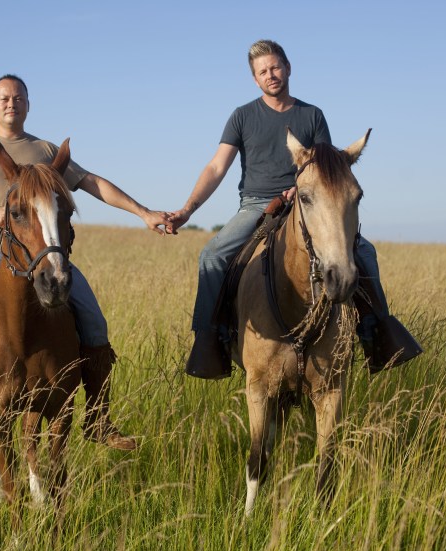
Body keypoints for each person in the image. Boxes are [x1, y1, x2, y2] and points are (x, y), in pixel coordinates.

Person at [0, 74, 170, 452]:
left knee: (94, 321)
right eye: (4, 98)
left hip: (46, 253)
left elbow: (93, 184)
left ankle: (98, 418)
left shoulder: (47, 151)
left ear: (28, 105)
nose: (11, 103)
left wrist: (143, 212)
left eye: (18, 98)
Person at [167, 40, 422, 379]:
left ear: (288, 68)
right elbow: (216, 167)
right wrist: (187, 209)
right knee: (212, 256)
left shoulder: (312, 114)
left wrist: (300, 188)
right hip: (258, 204)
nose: (270, 75)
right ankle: (211, 340)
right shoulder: (242, 116)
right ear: (255, 79)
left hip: (309, 201)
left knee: (364, 252)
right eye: (262, 72)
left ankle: (377, 334)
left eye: (275, 67)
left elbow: (326, 169)